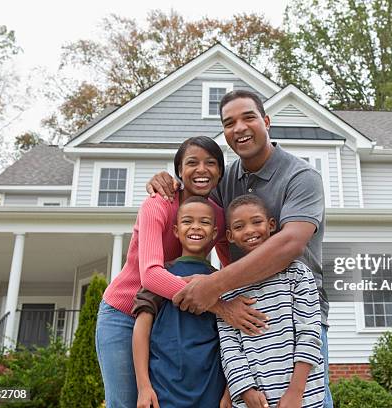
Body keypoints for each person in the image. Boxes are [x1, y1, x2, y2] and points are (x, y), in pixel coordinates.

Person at [146, 90, 334, 407]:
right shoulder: (227, 179)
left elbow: (290, 243)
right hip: (241, 313)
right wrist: (169, 180)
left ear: (267, 121)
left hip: (294, 316)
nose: (239, 128)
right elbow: (196, 205)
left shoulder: (301, 176)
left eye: (248, 117)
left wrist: (214, 285)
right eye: (229, 123)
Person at [96, 136, 268, 408]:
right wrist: (218, 304)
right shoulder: (158, 204)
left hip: (171, 315)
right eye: (192, 163)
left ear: (220, 172)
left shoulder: (218, 217)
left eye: (210, 163)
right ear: (179, 171)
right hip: (124, 313)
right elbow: (150, 276)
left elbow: (232, 269)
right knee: (128, 402)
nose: (202, 170)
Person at [219, 194, 324, 408]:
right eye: (240, 226)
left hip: (302, 396)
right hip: (253, 400)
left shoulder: (297, 274)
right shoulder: (227, 287)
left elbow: (310, 332)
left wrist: (296, 391)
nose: (249, 230)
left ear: (271, 225)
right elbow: (229, 347)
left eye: (256, 222)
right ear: (230, 236)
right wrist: (245, 390)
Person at [132, 196, 227, 408]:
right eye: (187, 221)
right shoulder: (161, 276)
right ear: (175, 230)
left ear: (214, 233)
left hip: (211, 391)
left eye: (204, 222)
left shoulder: (221, 282)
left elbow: (232, 341)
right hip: (164, 390)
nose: (195, 227)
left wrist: (229, 391)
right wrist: (143, 387)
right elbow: (141, 330)